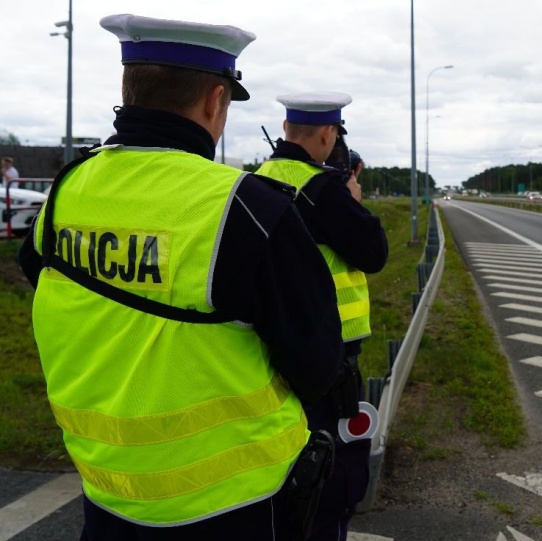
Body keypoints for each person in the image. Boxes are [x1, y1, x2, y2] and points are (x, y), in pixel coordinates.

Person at [18, 14, 344, 540]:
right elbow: (317, 364)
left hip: (107, 488)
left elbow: (48, 282)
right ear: (215, 101)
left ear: (130, 87)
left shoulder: (66, 190)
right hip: (234, 501)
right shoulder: (248, 208)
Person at [256, 92, 388, 541]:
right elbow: (374, 252)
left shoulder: (257, 180)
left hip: (265, 352)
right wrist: (353, 198)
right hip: (328, 358)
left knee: (280, 466)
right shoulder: (323, 191)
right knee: (327, 481)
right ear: (329, 134)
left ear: (286, 128)